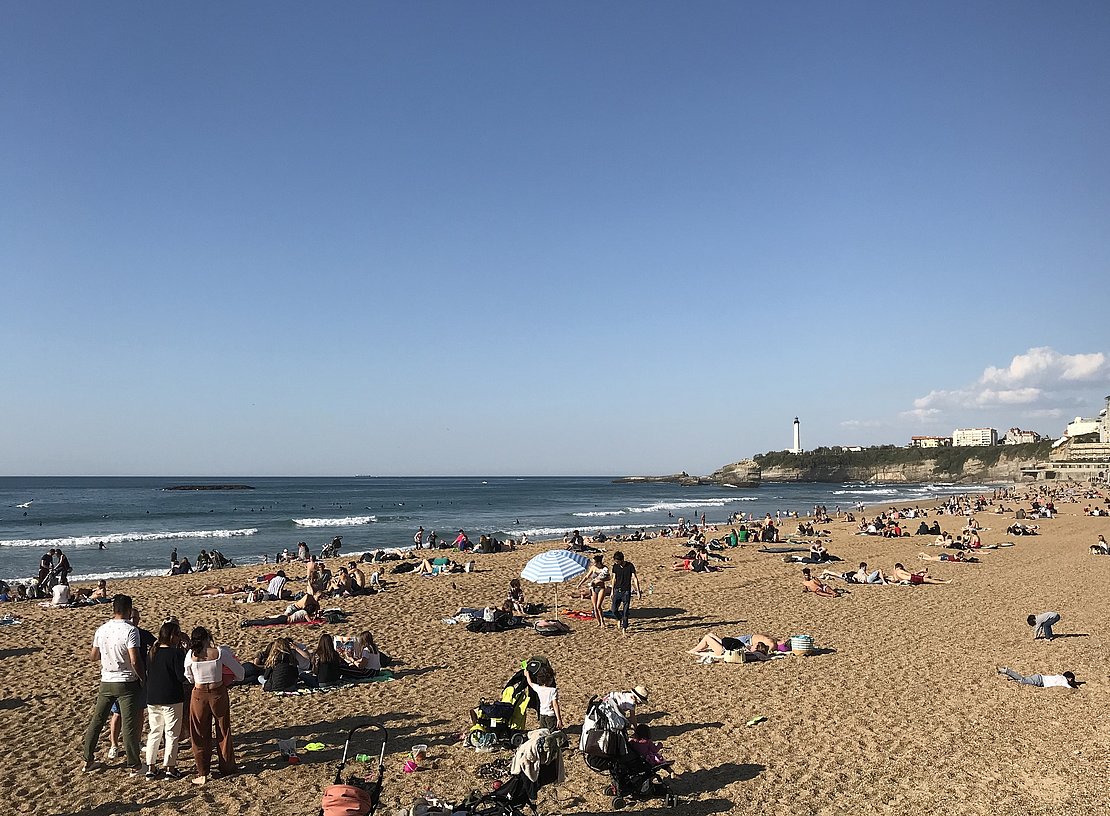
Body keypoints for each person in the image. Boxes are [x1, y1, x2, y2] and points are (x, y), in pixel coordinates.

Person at [82, 594, 145, 774]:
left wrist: (110, 653)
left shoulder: (102, 629)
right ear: (128, 610)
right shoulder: (130, 630)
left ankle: (87, 759)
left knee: (97, 721)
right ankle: (134, 764)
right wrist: (142, 677)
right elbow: (135, 659)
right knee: (129, 724)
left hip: (106, 680)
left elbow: (93, 656)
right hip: (126, 681)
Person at [184, 626, 245, 785]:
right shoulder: (219, 652)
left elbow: (189, 676)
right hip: (217, 692)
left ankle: (203, 771)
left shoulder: (191, 655)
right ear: (207, 638)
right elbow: (240, 673)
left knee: (199, 733)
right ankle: (227, 767)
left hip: (199, 694)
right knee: (223, 731)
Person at [144, 619, 187, 778]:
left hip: (153, 697)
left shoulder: (153, 652)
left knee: (154, 732)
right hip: (171, 697)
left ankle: (151, 766)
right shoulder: (175, 653)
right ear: (172, 637)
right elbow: (181, 676)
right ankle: (170, 767)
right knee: (171, 734)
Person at [240, 593, 320, 627]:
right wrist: (315, 621)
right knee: (265, 623)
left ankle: (249, 622)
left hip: (284, 618)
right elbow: (310, 622)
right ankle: (248, 622)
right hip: (285, 620)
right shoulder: (304, 612)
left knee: (266, 622)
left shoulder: (303, 611)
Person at [524, 664, 562, 731]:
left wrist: (527, 674)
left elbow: (530, 683)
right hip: (550, 715)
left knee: (543, 732)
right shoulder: (553, 690)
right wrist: (559, 719)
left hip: (542, 714)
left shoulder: (539, 689)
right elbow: (555, 705)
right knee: (552, 733)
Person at [610, 551, 641, 633]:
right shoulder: (615, 566)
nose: (617, 563)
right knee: (613, 609)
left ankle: (624, 627)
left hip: (626, 591)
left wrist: (638, 591)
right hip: (617, 590)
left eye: (618, 561)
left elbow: (634, 578)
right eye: (616, 561)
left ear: (622, 559)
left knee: (625, 610)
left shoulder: (629, 566)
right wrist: (612, 591)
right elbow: (614, 578)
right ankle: (619, 618)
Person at [686, 631, 785, 657]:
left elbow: (767, 651)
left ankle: (694, 650)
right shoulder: (749, 647)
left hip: (723, 651)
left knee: (707, 638)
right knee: (710, 635)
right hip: (727, 645)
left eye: (756, 645)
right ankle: (702, 646)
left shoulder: (751, 651)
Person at [577, 554, 610, 628]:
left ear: (598, 562)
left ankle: (603, 622)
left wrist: (600, 579)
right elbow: (587, 576)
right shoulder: (593, 568)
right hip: (593, 588)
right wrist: (580, 584)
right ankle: (599, 622)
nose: (593, 563)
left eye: (594, 562)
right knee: (595, 607)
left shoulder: (604, 568)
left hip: (601, 588)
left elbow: (608, 578)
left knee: (598, 606)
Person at [997, 667, 1079, 689]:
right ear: (1070, 679)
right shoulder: (1064, 680)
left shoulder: (1059, 676)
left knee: (1023, 680)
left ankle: (1012, 677)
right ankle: (1007, 671)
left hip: (1039, 678)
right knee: (1023, 680)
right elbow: (1069, 688)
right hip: (1040, 681)